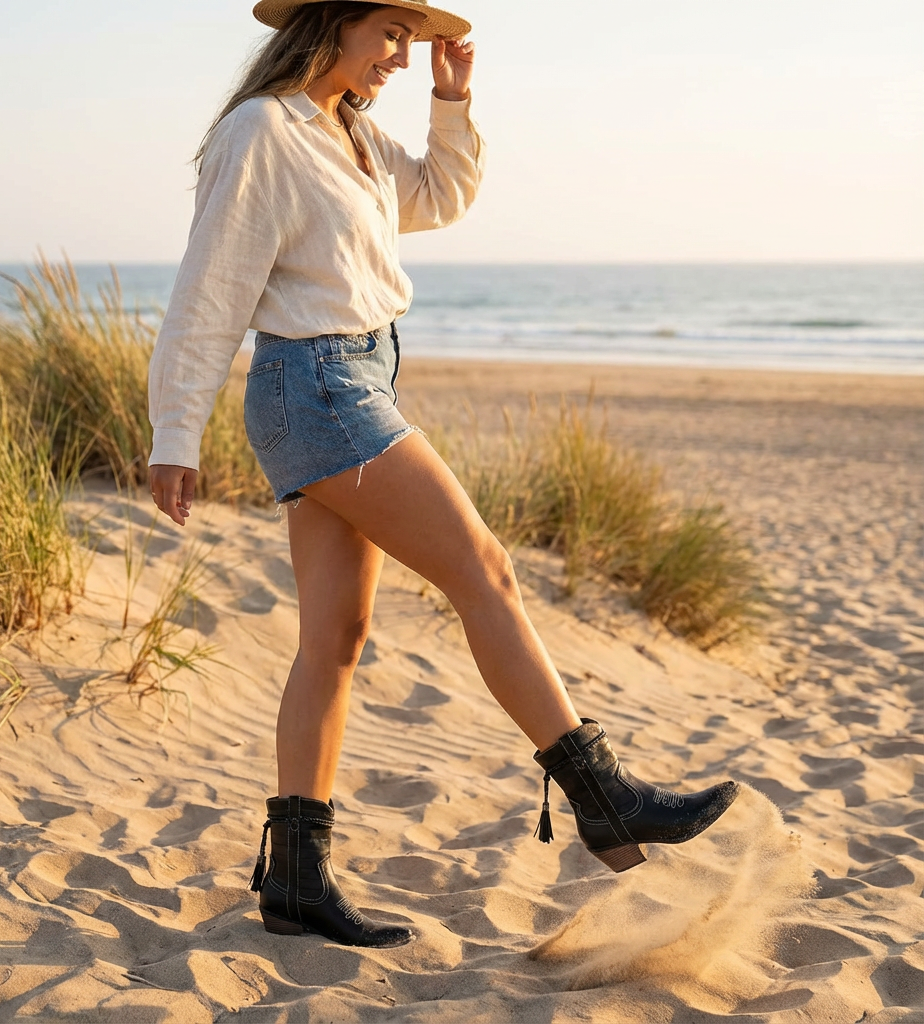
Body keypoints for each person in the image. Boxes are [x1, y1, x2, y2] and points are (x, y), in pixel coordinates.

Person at [148, 0, 739, 950]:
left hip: (355, 376)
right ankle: (604, 795)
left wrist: (451, 104)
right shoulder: (263, 129)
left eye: (408, 41)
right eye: (388, 33)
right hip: (320, 383)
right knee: (485, 569)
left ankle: (296, 880)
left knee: (335, 638)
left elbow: (438, 198)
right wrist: (173, 429)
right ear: (330, 23)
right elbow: (209, 283)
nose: (400, 55)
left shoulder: (349, 130)